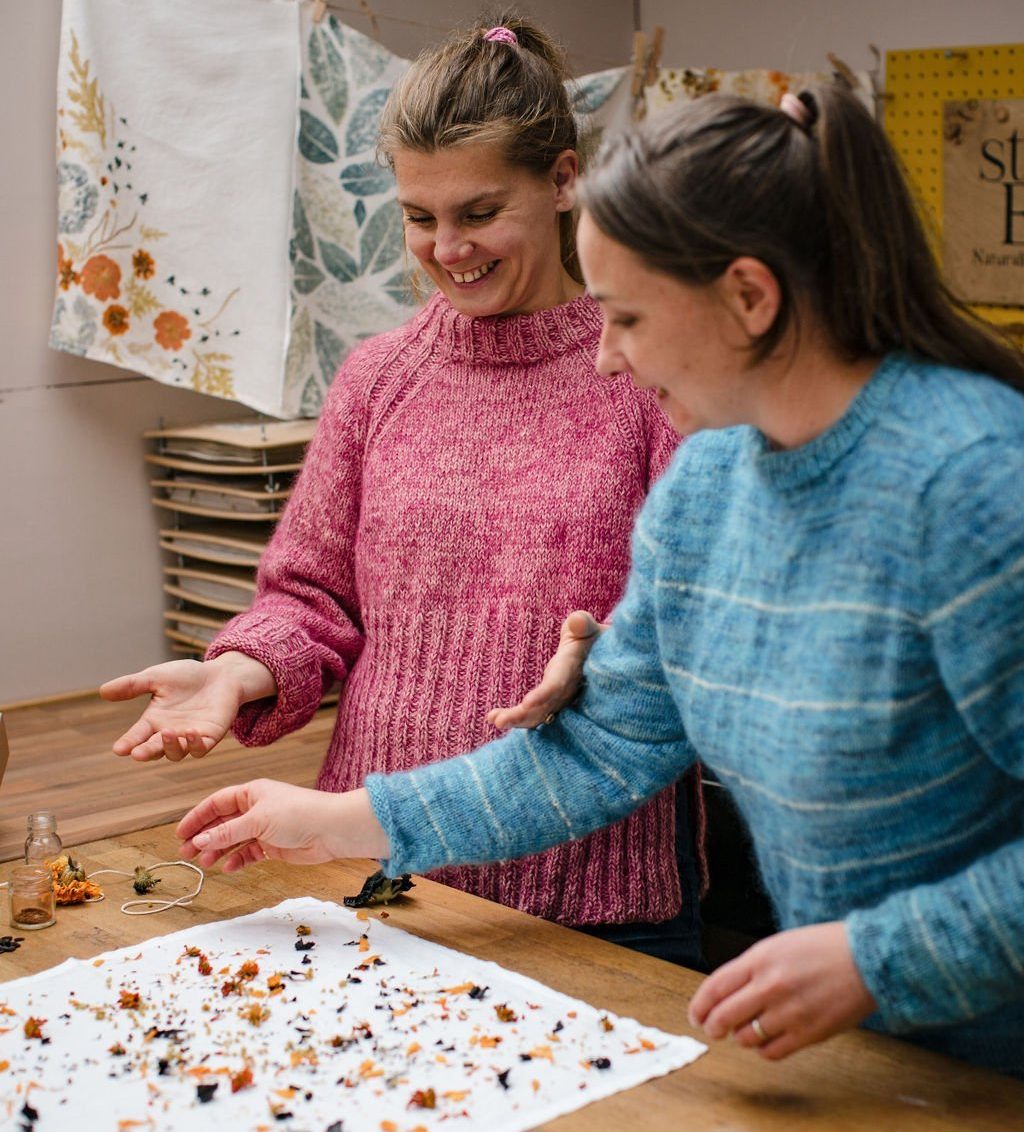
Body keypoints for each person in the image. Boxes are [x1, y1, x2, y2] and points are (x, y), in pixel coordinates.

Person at [176, 81, 1024, 1080]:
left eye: (624, 316)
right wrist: (337, 823)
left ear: (749, 297)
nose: (607, 360)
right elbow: (596, 751)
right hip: (862, 1060)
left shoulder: (971, 482)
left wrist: (871, 957)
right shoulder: (710, 487)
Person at [102, 12, 705, 968]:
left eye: (478, 213)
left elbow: (694, 631)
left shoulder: (647, 373)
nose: (447, 248)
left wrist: (603, 658)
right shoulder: (380, 377)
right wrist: (237, 671)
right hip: (375, 876)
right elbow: (312, 599)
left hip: (586, 894)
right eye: (420, 217)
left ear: (562, 178)